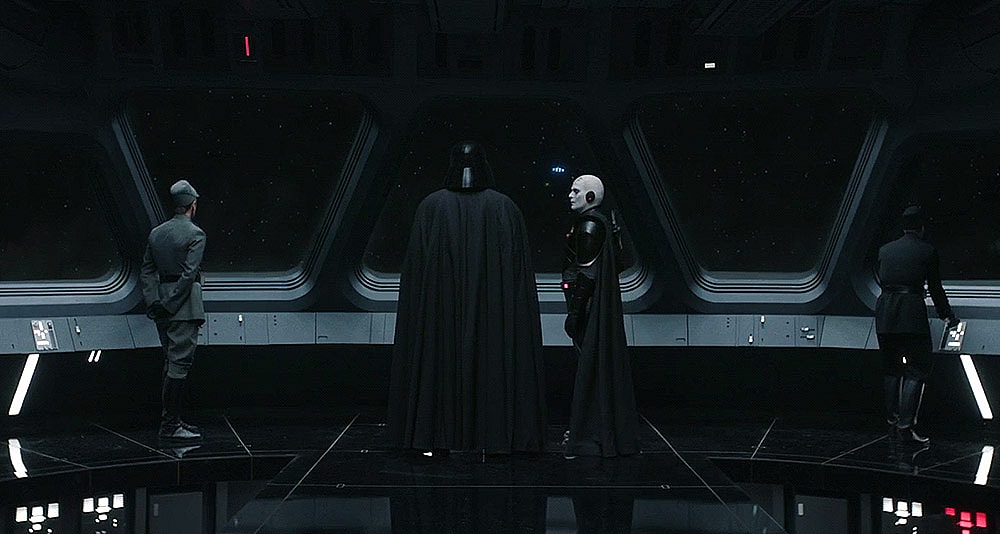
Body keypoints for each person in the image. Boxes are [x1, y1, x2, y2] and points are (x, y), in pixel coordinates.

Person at [387, 141, 547, 455]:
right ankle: (495, 435)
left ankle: (436, 435)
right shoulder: (505, 208)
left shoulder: (430, 208)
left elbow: (416, 280)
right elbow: (518, 285)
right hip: (493, 321)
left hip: (442, 320)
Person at [562, 174, 639, 458]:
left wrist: (575, 312)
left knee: (589, 366)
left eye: (576, 191)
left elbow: (587, 273)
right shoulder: (597, 223)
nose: (570, 195)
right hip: (592, 307)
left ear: (590, 197)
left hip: (587, 308)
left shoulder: (589, 227)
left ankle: (587, 433)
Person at [876, 205, 958, 444]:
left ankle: (892, 424)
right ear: (922, 227)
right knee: (917, 370)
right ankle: (905, 427)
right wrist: (947, 315)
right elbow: (935, 288)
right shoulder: (927, 251)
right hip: (911, 313)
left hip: (885, 312)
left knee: (891, 369)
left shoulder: (885, 250)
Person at [140, 179, 207, 440]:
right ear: (192, 205)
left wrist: (154, 301)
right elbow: (189, 275)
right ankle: (170, 425)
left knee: (171, 363)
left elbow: (147, 271)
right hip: (184, 308)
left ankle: (173, 421)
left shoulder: (156, 233)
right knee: (179, 366)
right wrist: (170, 304)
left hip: (161, 308)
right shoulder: (196, 234)